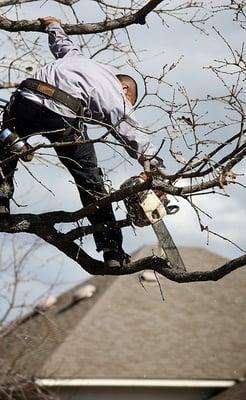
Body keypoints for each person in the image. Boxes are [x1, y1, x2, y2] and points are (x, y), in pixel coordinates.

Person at [0, 16, 164, 267]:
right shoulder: (115, 92)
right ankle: (112, 251)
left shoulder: (78, 59)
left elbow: (61, 43)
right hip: (62, 116)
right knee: (90, 181)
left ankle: (1, 203)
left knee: (5, 149)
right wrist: (155, 166)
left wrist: (53, 25)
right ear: (125, 89)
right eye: (130, 103)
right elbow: (132, 133)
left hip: (24, 100)